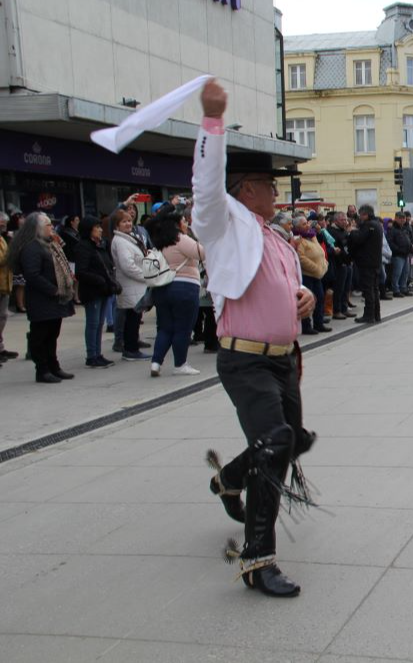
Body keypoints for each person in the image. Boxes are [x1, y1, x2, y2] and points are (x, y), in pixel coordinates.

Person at [194, 79, 317, 598]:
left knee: (293, 439)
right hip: (244, 361)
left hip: (281, 359)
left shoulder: (274, 237)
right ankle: (256, 559)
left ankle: (228, 480)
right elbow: (205, 184)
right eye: (269, 186)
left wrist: (303, 298)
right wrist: (213, 121)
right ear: (245, 188)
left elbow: (286, 287)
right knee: (276, 443)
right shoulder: (223, 222)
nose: (276, 193)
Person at [8, 212, 75, 383]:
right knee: (41, 336)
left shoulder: (49, 244)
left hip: (54, 301)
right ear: (37, 228)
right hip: (42, 300)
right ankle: (42, 369)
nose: (51, 227)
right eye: (47, 225)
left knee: (52, 335)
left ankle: (54, 366)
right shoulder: (32, 247)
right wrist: (53, 290)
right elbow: (33, 275)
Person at [145, 204, 204, 377]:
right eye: (184, 221)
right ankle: (180, 364)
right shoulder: (180, 238)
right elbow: (202, 253)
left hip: (162, 288)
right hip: (185, 287)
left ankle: (156, 362)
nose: (186, 223)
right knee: (183, 328)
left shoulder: (159, 239)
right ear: (177, 224)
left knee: (165, 327)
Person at [74, 216, 120, 368]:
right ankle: (91, 355)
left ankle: (97, 353)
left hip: (103, 290)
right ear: (89, 230)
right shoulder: (83, 246)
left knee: (100, 323)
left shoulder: (100, 245)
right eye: (97, 227)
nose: (100, 230)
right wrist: (99, 279)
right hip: (92, 291)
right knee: (93, 323)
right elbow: (81, 272)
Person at [109, 208, 151, 360]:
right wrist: (146, 277)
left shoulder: (128, 239)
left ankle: (131, 348)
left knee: (134, 319)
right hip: (131, 285)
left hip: (136, 286)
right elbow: (128, 266)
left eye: (129, 221)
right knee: (132, 320)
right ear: (117, 225)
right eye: (124, 221)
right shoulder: (120, 242)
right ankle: (130, 350)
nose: (128, 224)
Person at [292, 215, 331, 333]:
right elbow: (301, 258)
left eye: (307, 223)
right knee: (308, 300)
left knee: (319, 298)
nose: (308, 225)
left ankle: (319, 323)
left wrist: (324, 264)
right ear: (297, 227)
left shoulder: (311, 236)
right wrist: (316, 268)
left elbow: (320, 251)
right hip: (307, 275)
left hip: (317, 274)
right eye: (304, 224)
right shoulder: (298, 239)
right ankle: (306, 326)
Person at [348, 205, 384, 323]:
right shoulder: (377, 224)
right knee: (374, 289)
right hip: (375, 261)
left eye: (361, 214)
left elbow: (359, 239)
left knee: (368, 289)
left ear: (366, 214)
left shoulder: (369, 225)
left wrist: (352, 231)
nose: (360, 217)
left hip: (367, 262)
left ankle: (369, 315)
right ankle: (376, 314)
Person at [0, 212, 17, 364]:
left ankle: (1, 347)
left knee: (3, 316)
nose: (4, 225)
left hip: (4, 284)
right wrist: (12, 252)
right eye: (2, 223)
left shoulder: (3, 238)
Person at [388, 211, 413, 297]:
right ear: (396, 218)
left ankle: (403, 288)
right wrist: (398, 250)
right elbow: (390, 242)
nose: (402, 220)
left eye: (403, 218)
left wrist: (411, 246)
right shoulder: (393, 229)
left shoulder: (405, 228)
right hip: (398, 255)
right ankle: (396, 290)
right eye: (400, 218)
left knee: (405, 273)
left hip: (406, 254)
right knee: (397, 273)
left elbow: (409, 239)